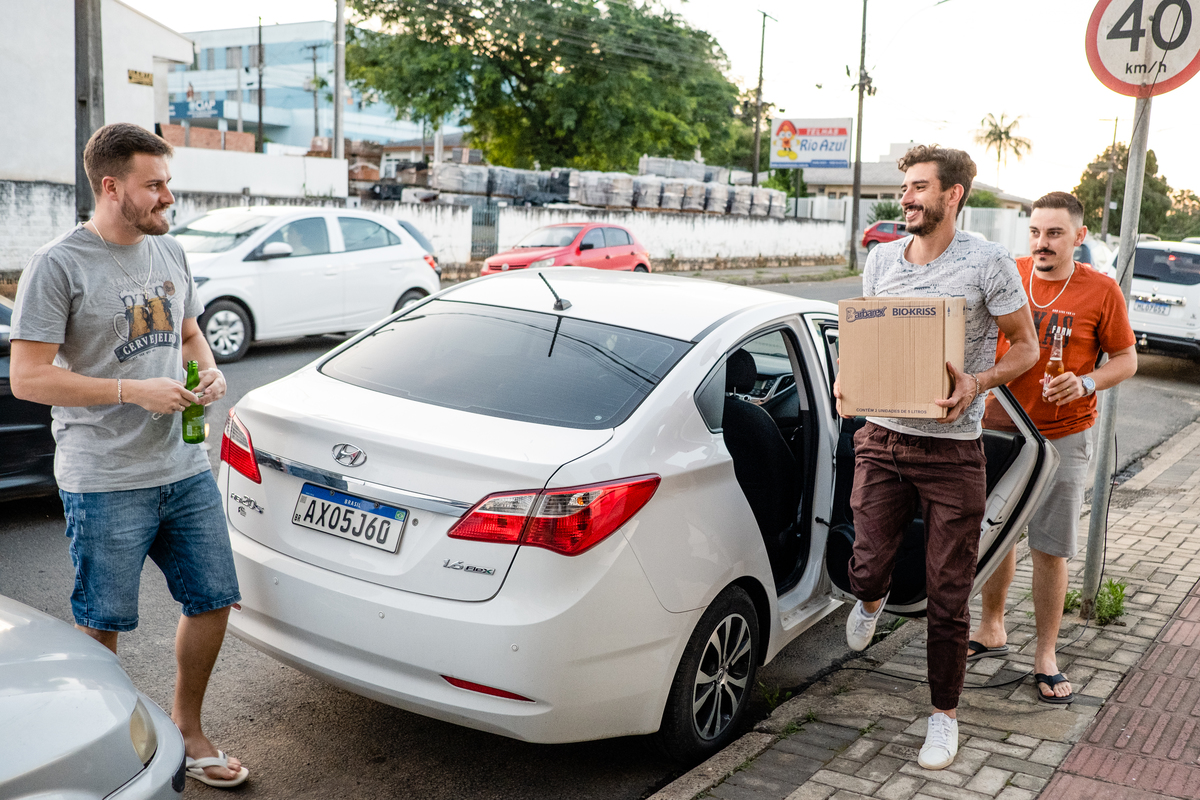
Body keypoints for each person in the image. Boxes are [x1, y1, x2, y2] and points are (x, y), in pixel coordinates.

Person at [9, 123, 249, 789]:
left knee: (213, 599)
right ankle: (104, 748)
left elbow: (193, 333)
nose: (168, 196)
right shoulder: (59, 264)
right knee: (102, 626)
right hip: (104, 479)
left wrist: (210, 371)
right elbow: (28, 377)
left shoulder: (168, 254)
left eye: (168, 182)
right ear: (111, 187)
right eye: (155, 184)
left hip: (182, 468)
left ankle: (187, 726)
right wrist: (129, 390)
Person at [833, 144, 1039, 771]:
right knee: (866, 568)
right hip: (882, 440)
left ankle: (943, 717)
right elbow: (867, 340)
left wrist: (976, 383)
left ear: (953, 195)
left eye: (919, 188)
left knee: (950, 599)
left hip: (953, 453)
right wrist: (849, 381)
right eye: (905, 188)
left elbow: (1025, 348)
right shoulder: (881, 258)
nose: (907, 198)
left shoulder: (987, 263)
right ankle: (870, 599)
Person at [970, 192, 1137, 703]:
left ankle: (1045, 655)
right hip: (1001, 431)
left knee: (1051, 546)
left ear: (1079, 237)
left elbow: (1126, 359)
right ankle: (992, 628)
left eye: (1055, 233)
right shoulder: (1008, 273)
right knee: (997, 534)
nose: (1042, 243)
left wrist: (1086, 382)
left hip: (1064, 436)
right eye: (1037, 232)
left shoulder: (1101, 290)